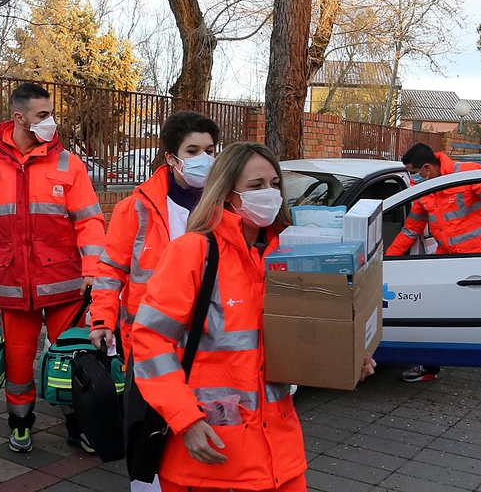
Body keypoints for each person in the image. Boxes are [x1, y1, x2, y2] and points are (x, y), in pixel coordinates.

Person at [129, 142, 375, 492]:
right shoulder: (194, 251)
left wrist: (348, 359)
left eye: (275, 184)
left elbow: (300, 338)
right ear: (227, 193)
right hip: (209, 450)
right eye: (256, 186)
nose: (270, 194)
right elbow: (151, 340)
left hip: (278, 451)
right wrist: (185, 419)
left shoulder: (289, 256)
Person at [0, 83, 106, 453]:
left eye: (51, 114)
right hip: (13, 287)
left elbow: (89, 222)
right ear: (18, 118)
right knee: (19, 362)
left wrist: (93, 269)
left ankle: (79, 423)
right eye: (43, 115)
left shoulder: (68, 163)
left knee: (73, 358)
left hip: (66, 285)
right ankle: (20, 422)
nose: (51, 122)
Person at [88, 111, 219, 492]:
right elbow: (111, 270)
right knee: (147, 437)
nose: (204, 159)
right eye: (193, 150)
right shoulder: (136, 208)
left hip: (207, 344)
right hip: (146, 345)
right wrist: (102, 321)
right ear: (171, 158)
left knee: (198, 430)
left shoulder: (223, 207)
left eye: (210, 150)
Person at [385, 143, 481, 391]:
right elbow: (410, 229)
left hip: (480, 257)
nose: (412, 178)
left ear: (427, 167)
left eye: (414, 172)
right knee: (434, 313)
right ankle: (429, 366)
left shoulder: (466, 172)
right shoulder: (423, 187)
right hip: (446, 259)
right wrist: (387, 260)